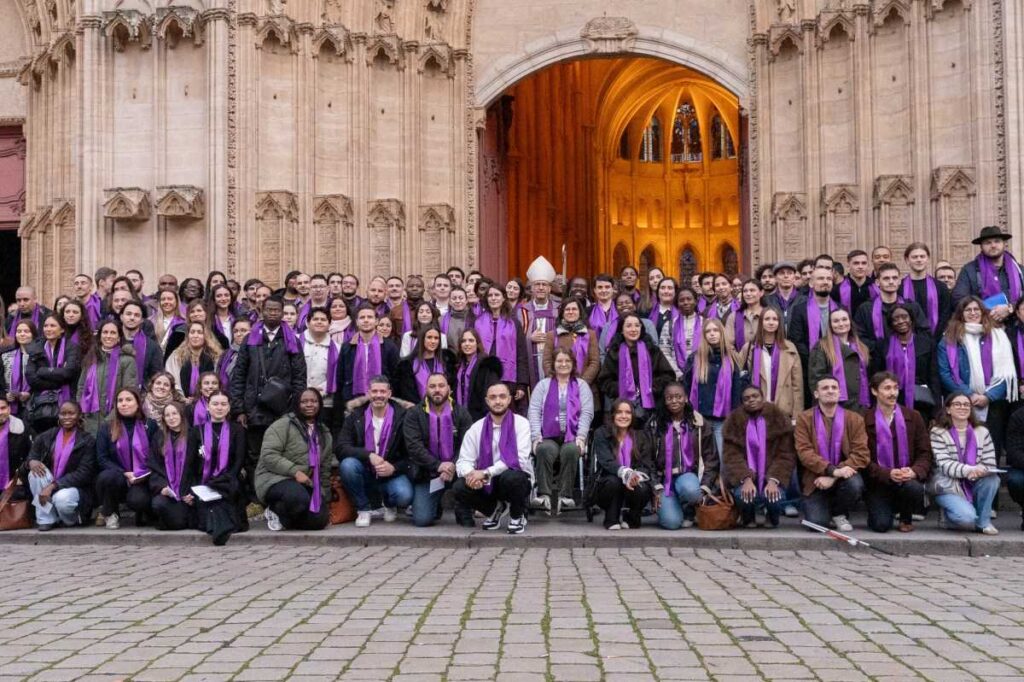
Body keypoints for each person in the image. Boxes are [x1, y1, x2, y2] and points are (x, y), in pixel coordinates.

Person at [230, 296, 307, 502]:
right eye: (269, 310)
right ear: (262, 312)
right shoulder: (250, 339)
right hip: (254, 407)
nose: (273, 313)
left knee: (281, 454)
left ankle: (277, 495)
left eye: (277, 310)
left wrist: (295, 410)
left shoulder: (292, 340)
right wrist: (239, 410)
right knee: (255, 454)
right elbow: (239, 375)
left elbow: (300, 377)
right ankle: (258, 498)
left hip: (282, 409)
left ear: (283, 313)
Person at [937, 296, 1017, 455]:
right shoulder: (949, 339)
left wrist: (988, 396)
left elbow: (1007, 373)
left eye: (976, 309)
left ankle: (991, 478)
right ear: (961, 314)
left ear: (982, 312)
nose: (972, 313)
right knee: (962, 448)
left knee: (990, 449)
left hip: (993, 404)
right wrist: (969, 395)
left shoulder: (998, 336)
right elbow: (945, 373)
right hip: (962, 403)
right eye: (968, 310)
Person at [454, 381, 534, 534]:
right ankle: (494, 509)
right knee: (460, 487)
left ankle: (517, 516)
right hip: (486, 481)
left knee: (512, 477)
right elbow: (464, 460)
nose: (498, 401)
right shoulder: (476, 428)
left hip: (514, 478)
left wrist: (485, 473)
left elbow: (518, 459)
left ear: (509, 399)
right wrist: (471, 475)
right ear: (487, 401)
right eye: (493, 397)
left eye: (502, 396)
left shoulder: (521, 424)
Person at [794, 376, 868, 532]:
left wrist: (834, 475)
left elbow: (861, 454)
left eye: (834, 388)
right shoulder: (804, 419)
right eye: (825, 388)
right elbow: (804, 453)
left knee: (855, 484)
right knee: (817, 524)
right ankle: (822, 509)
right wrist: (832, 470)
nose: (830, 391)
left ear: (840, 392)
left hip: (844, 477)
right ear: (816, 394)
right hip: (816, 480)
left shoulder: (854, 419)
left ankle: (839, 513)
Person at [337, 375, 412, 527]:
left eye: (382, 392)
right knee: (347, 465)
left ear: (389, 394)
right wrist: (368, 455)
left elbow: (412, 454)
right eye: (375, 391)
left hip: (391, 473)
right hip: (365, 470)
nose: (378, 395)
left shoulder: (403, 417)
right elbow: (341, 447)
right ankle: (364, 508)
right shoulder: (355, 416)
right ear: (368, 393)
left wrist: (394, 468)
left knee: (404, 495)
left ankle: (389, 504)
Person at [403, 372, 475, 527]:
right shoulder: (414, 414)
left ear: (449, 389)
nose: (437, 390)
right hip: (427, 473)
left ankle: (463, 507)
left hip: (457, 471)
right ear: (426, 389)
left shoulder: (461, 413)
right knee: (422, 520)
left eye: (441, 386)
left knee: (469, 478)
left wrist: (452, 465)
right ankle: (436, 505)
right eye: (432, 386)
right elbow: (414, 447)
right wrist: (438, 465)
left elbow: (468, 445)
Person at [255, 388, 334, 531]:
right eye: (304, 401)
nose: (309, 405)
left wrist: (324, 498)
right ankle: (273, 509)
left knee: (319, 521)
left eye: (314, 401)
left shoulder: (325, 433)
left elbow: (324, 469)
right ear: (297, 404)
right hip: (274, 478)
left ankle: (284, 518)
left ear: (320, 404)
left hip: (304, 483)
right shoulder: (283, 425)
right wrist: (295, 472)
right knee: (298, 498)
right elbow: (269, 455)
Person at [863, 372, 932, 533]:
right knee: (880, 526)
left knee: (914, 488)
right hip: (878, 481)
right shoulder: (864, 419)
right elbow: (862, 458)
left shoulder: (914, 417)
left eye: (895, 388)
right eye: (887, 388)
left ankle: (905, 516)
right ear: (874, 391)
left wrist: (914, 471)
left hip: (906, 479)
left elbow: (925, 452)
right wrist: (887, 473)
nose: (893, 393)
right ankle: (880, 510)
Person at [528, 348, 595, 514]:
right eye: (559, 361)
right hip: (548, 435)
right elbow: (534, 411)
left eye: (567, 361)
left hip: (572, 436)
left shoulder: (581, 386)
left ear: (573, 364)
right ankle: (544, 496)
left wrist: (581, 436)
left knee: (572, 450)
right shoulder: (543, 385)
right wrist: (536, 437)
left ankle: (566, 497)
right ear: (553, 364)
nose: (563, 364)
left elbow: (587, 412)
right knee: (543, 449)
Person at [722, 385, 795, 527]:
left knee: (773, 496)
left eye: (755, 396)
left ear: (762, 397)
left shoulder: (778, 419)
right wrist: (746, 479)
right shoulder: (734, 422)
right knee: (744, 495)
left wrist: (774, 480)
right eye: (746, 398)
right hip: (747, 477)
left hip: (772, 476)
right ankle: (748, 518)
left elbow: (785, 456)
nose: (751, 400)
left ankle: (772, 518)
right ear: (742, 402)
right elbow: (732, 457)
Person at [647, 382, 718, 530]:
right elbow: (647, 460)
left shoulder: (698, 423)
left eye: (678, 397)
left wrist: (705, 487)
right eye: (669, 398)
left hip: (688, 476)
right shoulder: (655, 424)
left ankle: (689, 510)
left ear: (686, 398)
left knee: (691, 491)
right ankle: (671, 507)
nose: (674, 401)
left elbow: (711, 458)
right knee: (671, 523)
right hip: (663, 480)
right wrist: (656, 487)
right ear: (664, 401)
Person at [929, 392, 1000, 534]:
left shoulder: (982, 431)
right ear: (948, 409)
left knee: (992, 479)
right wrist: (970, 469)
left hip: (975, 481)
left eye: (966, 404)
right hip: (948, 485)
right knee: (966, 519)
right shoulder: (938, 432)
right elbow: (944, 463)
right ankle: (949, 518)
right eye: (957, 404)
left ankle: (983, 522)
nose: (963, 407)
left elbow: (990, 462)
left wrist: (981, 470)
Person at [22, 401, 96, 530]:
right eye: (63, 414)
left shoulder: (87, 440)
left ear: (79, 415)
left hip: (75, 489)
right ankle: (46, 518)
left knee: (61, 499)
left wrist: (53, 486)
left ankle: (69, 520)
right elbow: (31, 457)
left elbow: (84, 473)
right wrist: (31, 462)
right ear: (58, 416)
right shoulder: (46, 436)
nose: (66, 417)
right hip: (50, 484)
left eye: (71, 413)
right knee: (35, 472)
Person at [95, 388, 158, 529]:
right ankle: (110, 512)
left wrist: (142, 474)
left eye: (128, 400)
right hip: (118, 477)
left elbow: (157, 455)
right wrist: (123, 472)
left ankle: (143, 513)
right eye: (120, 401)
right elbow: (102, 458)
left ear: (138, 404)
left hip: (142, 478)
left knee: (139, 500)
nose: (124, 404)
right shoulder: (107, 427)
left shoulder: (150, 425)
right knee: (107, 477)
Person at [189, 391, 246, 543]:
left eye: (223, 404)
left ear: (229, 408)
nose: (219, 408)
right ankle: (221, 527)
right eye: (215, 404)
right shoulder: (196, 431)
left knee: (226, 498)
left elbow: (239, 459)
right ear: (208, 407)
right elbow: (191, 463)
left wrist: (226, 478)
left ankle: (219, 527)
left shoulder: (237, 430)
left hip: (229, 479)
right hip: (204, 481)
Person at [590, 399, 655, 530]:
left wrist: (634, 476)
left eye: (628, 412)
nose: (623, 416)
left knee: (642, 488)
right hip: (608, 483)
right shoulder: (601, 433)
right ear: (612, 414)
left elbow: (647, 463)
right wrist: (626, 473)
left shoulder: (642, 435)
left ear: (633, 415)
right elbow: (606, 461)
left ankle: (632, 517)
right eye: (619, 412)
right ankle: (611, 518)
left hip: (635, 484)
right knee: (614, 481)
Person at [680, 318, 743, 453]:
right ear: (703, 335)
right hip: (700, 418)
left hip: (723, 419)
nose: (712, 334)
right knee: (702, 460)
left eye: (715, 330)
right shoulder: (694, 358)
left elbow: (737, 391)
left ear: (721, 333)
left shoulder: (732, 359)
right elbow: (686, 386)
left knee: (724, 459)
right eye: (708, 331)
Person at [599, 313, 676, 421]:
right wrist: (622, 388)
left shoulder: (652, 350)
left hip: (651, 405)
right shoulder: (614, 352)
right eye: (629, 326)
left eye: (637, 325)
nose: (633, 329)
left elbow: (668, 375)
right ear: (621, 330)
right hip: (622, 407)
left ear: (641, 328)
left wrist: (650, 387)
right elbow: (604, 380)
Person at [869, 305, 940, 421]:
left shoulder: (927, 344)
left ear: (911, 319)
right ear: (891, 323)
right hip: (891, 399)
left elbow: (934, 377)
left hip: (920, 402)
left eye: (904, 317)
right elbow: (876, 377)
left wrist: (936, 411)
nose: (901, 321)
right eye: (895, 319)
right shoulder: (882, 346)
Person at [738, 306, 803, 421]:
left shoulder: (789, 348)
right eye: (767, 319)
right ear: (761, 322)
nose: (771, 322)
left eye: (775, 319)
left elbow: (797, 386)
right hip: (756, 409)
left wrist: (796, 415)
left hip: (783, 410)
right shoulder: (749, 348)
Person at [952, 226, 1023, 323]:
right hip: (983, 327)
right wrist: (988, 310)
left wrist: (1010, 308)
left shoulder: (1020, 270)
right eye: (988, 243)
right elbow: (958, 300)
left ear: (1004, 244)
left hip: (1016, 328)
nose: (993, 245)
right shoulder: (969, 270)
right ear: (981, 246)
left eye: (997, 241)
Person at [786, 266, 838, 401]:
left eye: (829, 279)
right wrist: (817, 359)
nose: (825, 282)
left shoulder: (841, 309)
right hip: (808, 367)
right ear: (811, 283)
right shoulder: (799, 310)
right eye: (820, 278)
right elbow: (796, 340)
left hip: (837, 365)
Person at [473, 283, 529, 405]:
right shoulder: (477, 322)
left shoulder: (514, 323)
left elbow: (521, 354)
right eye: (490, 295)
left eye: (497, 295)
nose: (493, 298)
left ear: (504, 298)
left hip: (508, 376)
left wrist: (522, 384)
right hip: (483, 375)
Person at [78, 320, 138, 434]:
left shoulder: (127, 361)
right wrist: (82, 413)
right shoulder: (91, 358)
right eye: (105, 332)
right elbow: (81, 387)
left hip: (114, 422)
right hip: (89, 421)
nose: (108, 336)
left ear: (119, 337)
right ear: (100, 336)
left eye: (113, 333)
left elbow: (129, 392)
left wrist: (109, 419)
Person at [25, 314, 81, 434]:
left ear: (62, 329)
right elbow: (31, 378)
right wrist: (57, 379)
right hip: (42, 403)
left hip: (66, 398)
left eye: (52, 325)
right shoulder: (36, 348)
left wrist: (43, 371)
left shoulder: (71, 347)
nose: (48, 329)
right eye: (46, 326)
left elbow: (69, 373)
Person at [808, 308, 871, 412]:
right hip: (833, 405)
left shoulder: (862, 347)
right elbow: (815, 378)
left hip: (858, 405)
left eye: (844, 319)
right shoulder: (821, 347)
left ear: (850, 322)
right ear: (830, 325)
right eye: (836, 321)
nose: (841, 324)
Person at [146, 402, 196, 531]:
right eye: (167, 415)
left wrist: (192, 492)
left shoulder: (193, 436)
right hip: (168, 490)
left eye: (174, 413)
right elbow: (154, 465)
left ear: (182, 416)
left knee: (181, 522)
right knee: (158, 504)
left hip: (188, 491)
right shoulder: (159, 437)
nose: (171, 417)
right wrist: (162, 487)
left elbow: (199, 467)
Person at [336, 305, 400, 405]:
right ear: (357, 322)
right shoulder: (347, 347)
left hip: (383, 399)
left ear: (376, 321)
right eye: (362, 317)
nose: (366, 320)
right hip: (353, 399)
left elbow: (397, 376)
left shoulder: (389, 346)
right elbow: (340, 377)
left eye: (370, 317)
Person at [542, 298, 600, 386]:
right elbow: (547, 361)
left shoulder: (590, 334)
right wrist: (557, 382)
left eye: (574, 309)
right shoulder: (552, 335)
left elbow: (594, 362)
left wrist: (582, 383)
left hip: (585, 386)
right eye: (567, 309)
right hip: (558, 385)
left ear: (580, 312)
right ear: (562, 313)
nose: (571, 312)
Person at [394, 325, 455, 404]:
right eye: (429, 337)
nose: (433, 341)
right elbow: (407, 393)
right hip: (417, 410)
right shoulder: (407, 365)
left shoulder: (447, 362)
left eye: (436, 338)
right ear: (422, 339)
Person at [902, 242, 953, 336]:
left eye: (922, 256)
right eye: (914, 257)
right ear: (907, 260)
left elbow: (945, 315)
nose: (919, 260)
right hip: (906, 340)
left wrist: (934, 339)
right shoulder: (899, 287)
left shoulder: (941, 287)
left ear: (928, 259)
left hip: (935, 340)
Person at [454, 328, 503, 421]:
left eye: (471, 340)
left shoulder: (486, 366)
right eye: (463, 341)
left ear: (477, 344)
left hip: (480, 417)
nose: (467, 344)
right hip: (461, 417)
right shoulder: (458, 367)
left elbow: (490, 394)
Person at [165, 321, 221, 397]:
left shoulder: (215, 356)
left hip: (209, 399)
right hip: (181, 400)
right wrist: (182, 398)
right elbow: (172, 379)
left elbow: (217, 381)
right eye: (192, 332)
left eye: (199, 332)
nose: (195, 335)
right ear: (188, 336)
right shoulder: (177, 356)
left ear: (205, 336)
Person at [2, 320, 36, 417]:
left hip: (32, 406)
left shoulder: (39, 356)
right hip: (9, 406)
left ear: (33, 334)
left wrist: (29, 393)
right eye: (19, 331)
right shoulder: (5, 356)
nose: (22, 334)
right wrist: (5, 395)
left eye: (26, 331)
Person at [0, 395, 31, 498]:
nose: (0, 412)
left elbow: (32, 456)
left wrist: (20, 477)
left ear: (9, 408)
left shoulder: (22, 427)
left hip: (15, 480)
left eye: (3, 408)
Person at [727, 279, 765, 352]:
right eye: (745, 291)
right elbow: (728, 344)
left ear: (761, 293)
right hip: (739, 360)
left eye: (752, 290)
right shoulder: (734, 316)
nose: (748, 294)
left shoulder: (768, 314)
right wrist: (739, 359)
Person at [218, 317, 251, 389]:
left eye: (243, 330)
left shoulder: (256, 353)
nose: (239, 334)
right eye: (235, 331)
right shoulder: (226, 354)